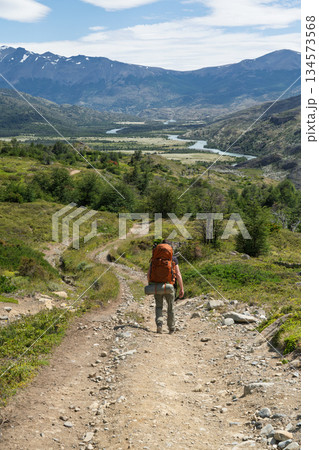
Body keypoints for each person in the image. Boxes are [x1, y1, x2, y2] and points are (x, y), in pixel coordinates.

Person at [147, 240, 184, 334]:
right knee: (170, 307)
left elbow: (148, 274)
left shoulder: (154, 259)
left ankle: (159, 324)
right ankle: (171, 328)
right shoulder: (173, 259)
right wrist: (181, 288)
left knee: (159, 306)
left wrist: (151, 284)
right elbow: (178, 274)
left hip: (156, 285)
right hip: (169, 286)